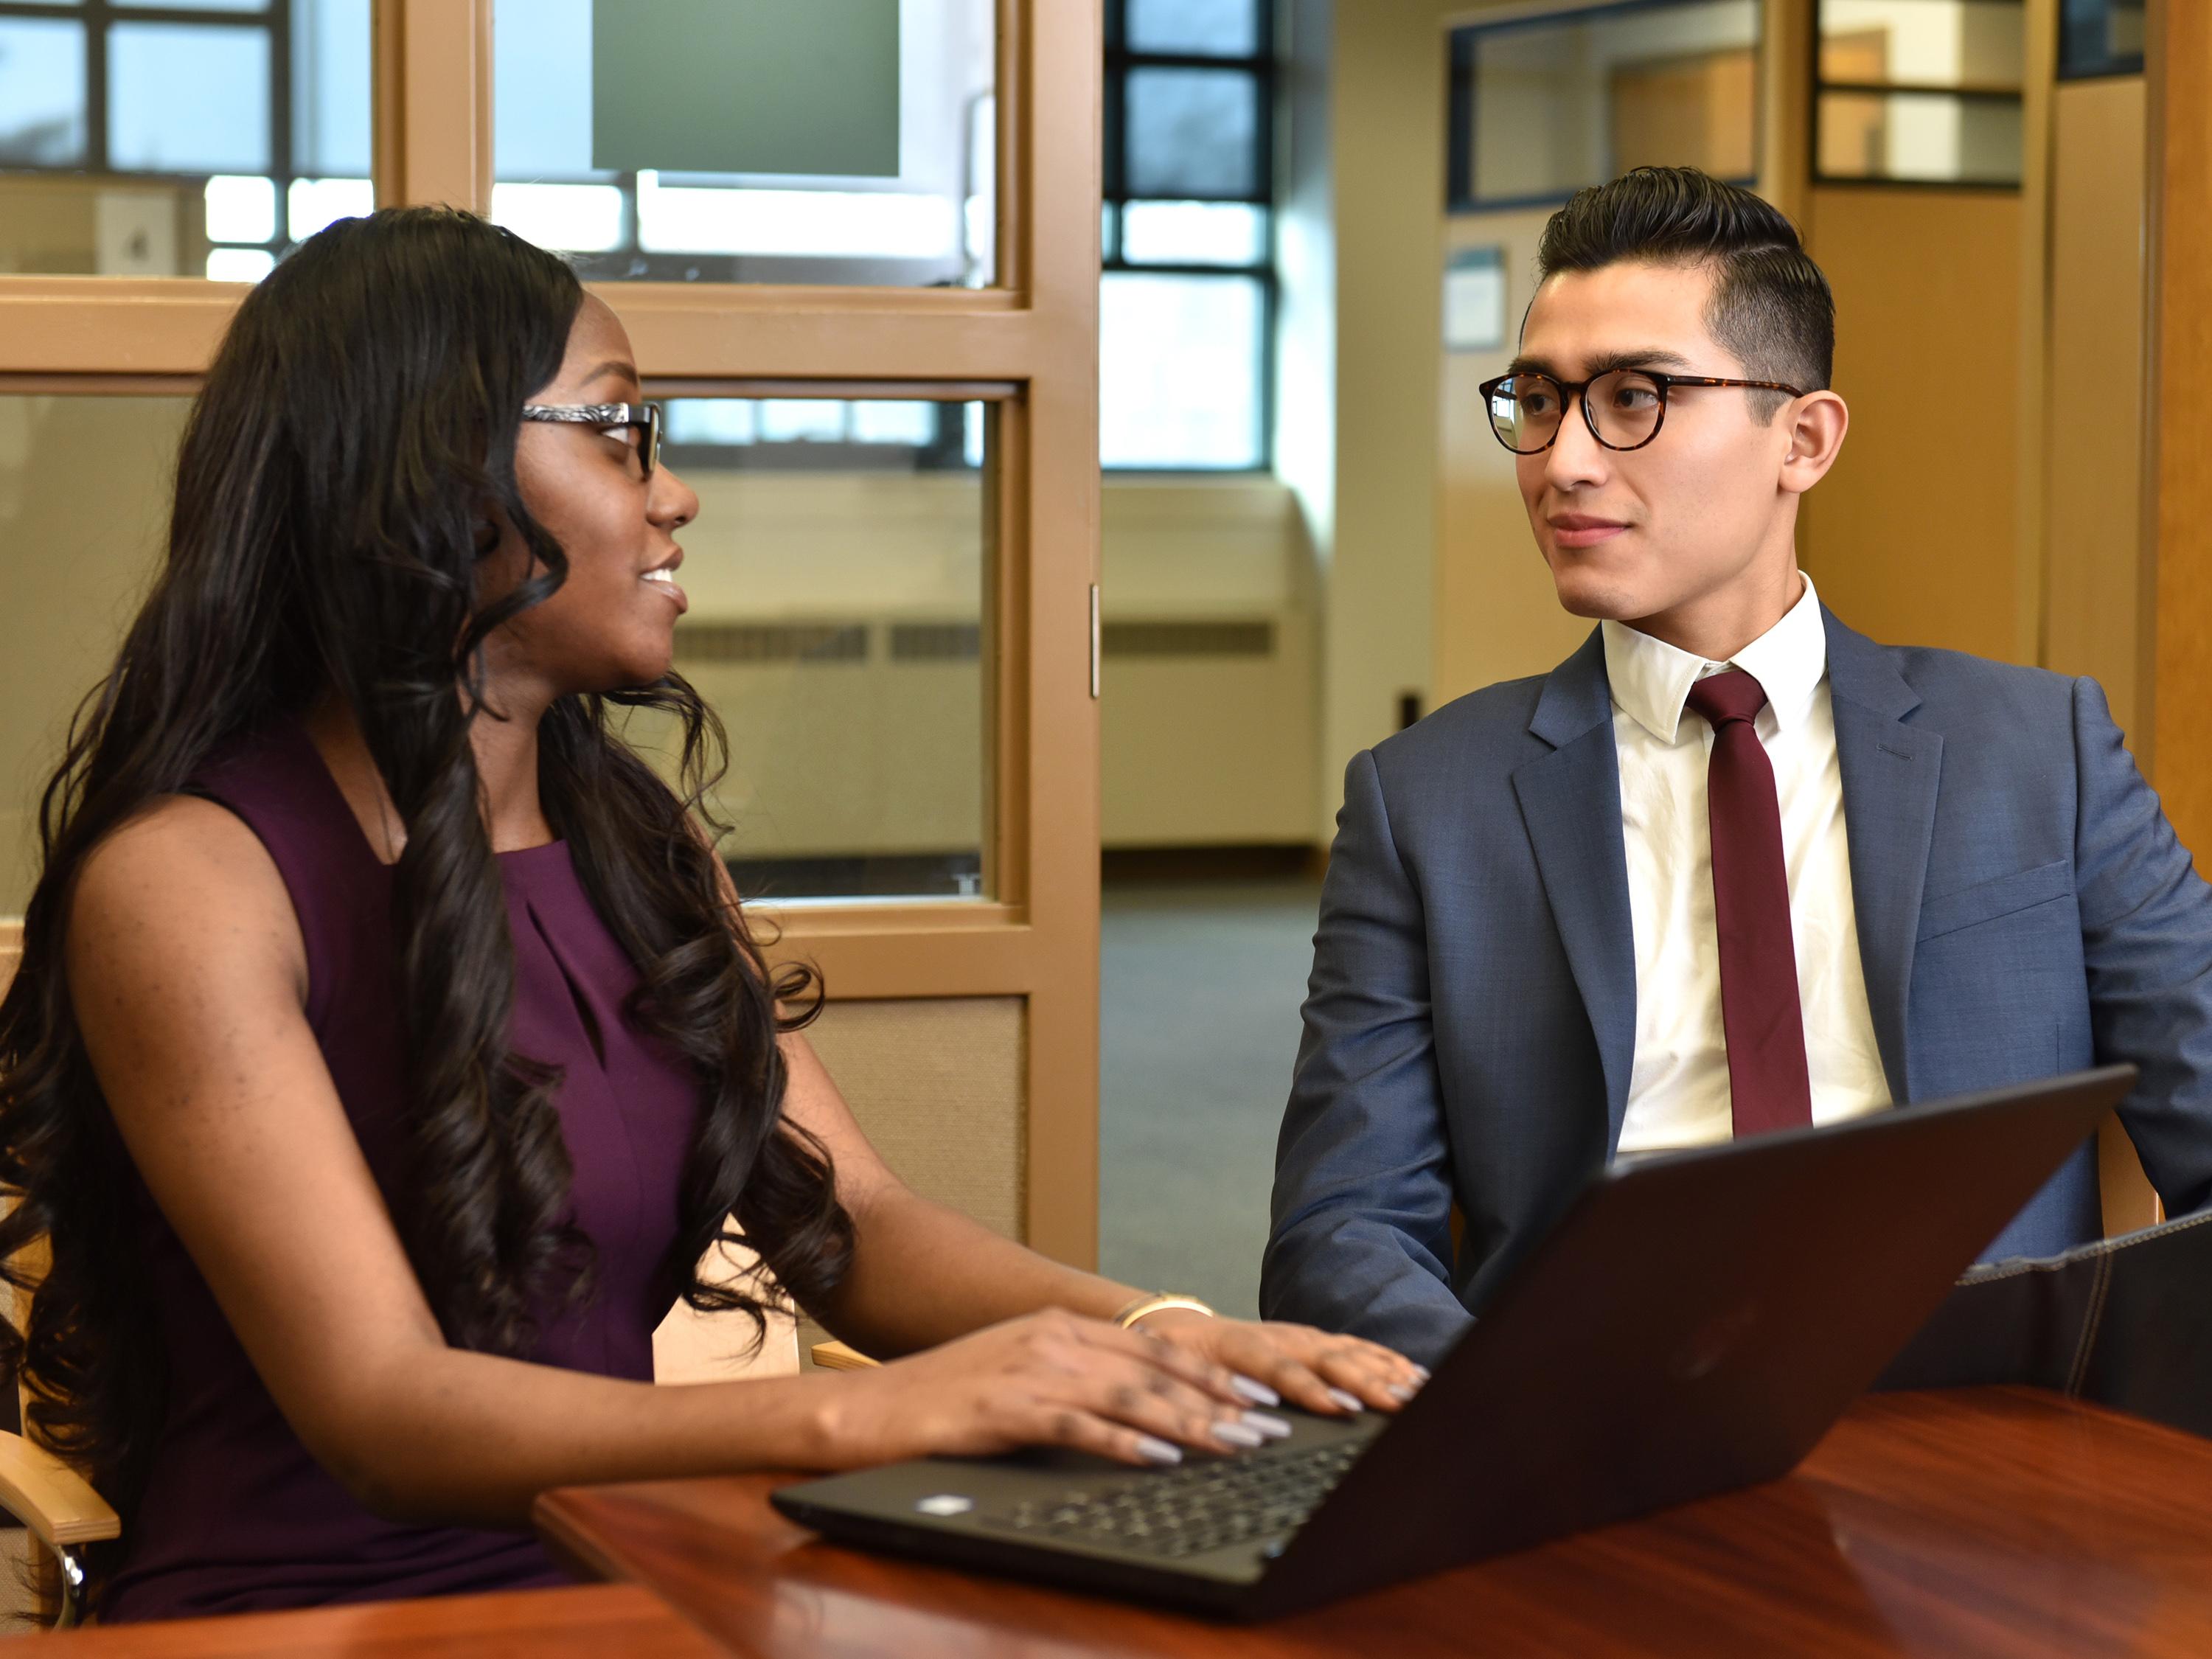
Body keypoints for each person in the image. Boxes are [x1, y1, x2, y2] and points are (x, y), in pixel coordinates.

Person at [0, 207, 1423, 1623]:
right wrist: (865, 1419)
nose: (673, 493)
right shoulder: (193, 879)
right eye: (621, 433)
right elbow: (385, 1409)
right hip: (308, 1615)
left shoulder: (635, 841)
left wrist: (1168, 1335)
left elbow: (849, 1221)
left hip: (630, 1579)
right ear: (433, 472)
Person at [1261, 167, 2212, 1369]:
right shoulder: (1426, 804)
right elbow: (1338, 1231)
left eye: (1635, 397)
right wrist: (1509, 1425)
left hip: (1973, 1423)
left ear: (1802, 439)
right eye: (1540, 401)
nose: (1563, 461)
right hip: (1594, 1422)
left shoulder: (2039, 752)